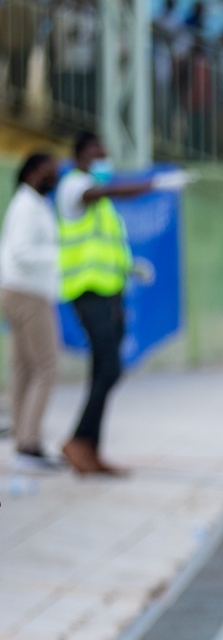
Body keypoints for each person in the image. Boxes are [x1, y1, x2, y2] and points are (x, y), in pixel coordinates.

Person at [56, 132, 155, 475]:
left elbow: (107, 247)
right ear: (82, 154)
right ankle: (79, 441)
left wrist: (131, 268)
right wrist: (148, 185)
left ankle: (89, 449)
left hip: (111, 292)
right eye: (99, 154)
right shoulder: (73, 186)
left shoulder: (104, 207)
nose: (104, 161)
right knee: (109, 366)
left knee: (107, 368)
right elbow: (98, 192)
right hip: (87, 292)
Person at [1, 154, 62, 473]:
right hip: (28, 293)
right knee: (47, 367)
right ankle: (29, 443)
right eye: (49, 172)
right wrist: (60, 253)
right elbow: (22, 252)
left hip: (20, 290)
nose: (54, 177)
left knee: (24, 368)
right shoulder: (26, 206)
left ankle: (22, 442)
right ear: (33, 173)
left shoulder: (33, 204)